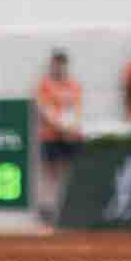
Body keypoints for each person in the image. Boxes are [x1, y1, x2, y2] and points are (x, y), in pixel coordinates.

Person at [34, 50, 82, 223]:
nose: (58, 68)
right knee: (50, 173)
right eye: (55, 64)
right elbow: (45, 110)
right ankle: (47, 209)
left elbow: (75, 110)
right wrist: (61, 127)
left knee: (67, 172)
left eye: (61, 64)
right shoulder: (45, 85)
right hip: (50, 136)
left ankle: (68, 207)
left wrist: (70, 128)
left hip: (70, 136)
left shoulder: (74, 86)